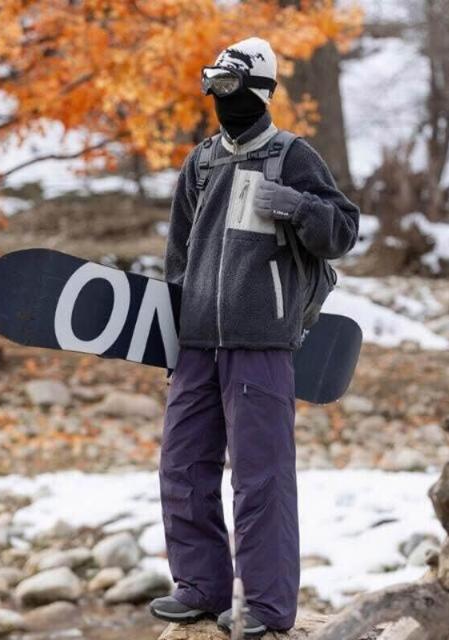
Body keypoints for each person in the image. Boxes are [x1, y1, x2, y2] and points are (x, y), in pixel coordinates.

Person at [149, 36, 360, 637]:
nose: (220, 98)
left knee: (261, 478)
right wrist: (174, 342)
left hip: (262, 345)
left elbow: (343, 231)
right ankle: (200, 587)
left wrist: (296, 205)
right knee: (182, 467)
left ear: (260, 91)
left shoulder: (292, 156)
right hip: (197, 346)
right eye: (212, 85)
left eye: (230, 85)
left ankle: (266, 608)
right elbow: (177, 259)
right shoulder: (201, 162)